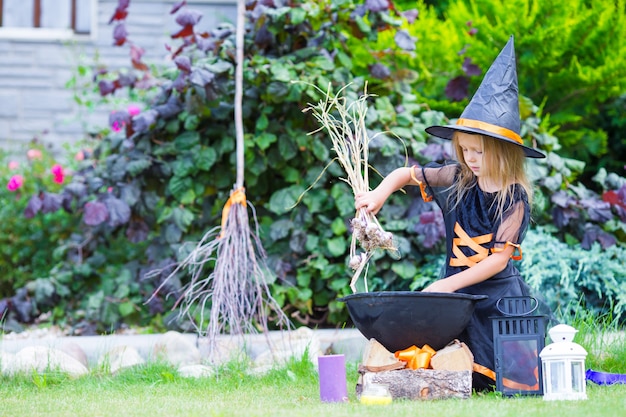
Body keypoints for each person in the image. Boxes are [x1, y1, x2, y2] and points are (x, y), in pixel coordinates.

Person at [354, 36, 547, 391]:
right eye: (465, 150)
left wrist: (446, 285)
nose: (470, 158)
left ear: (505, 154)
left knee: (499, 377)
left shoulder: (513, 199)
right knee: (445, 365)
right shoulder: (458, 177)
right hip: (455, 300)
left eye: (479, 152)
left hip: (495, 302)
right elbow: (405, 174)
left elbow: (498, 262)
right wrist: (378, 194)